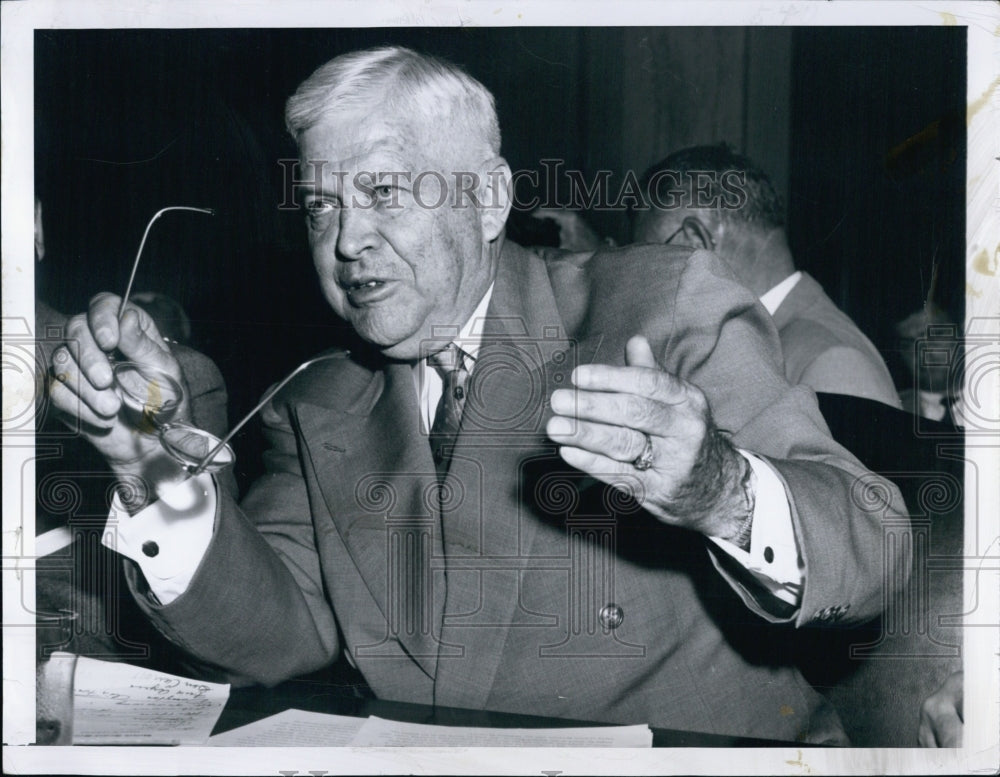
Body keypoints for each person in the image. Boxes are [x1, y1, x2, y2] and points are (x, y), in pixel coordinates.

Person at [47, 46, 910, 744]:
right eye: (318, 208)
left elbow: (875, 538)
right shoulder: (314, 400)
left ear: (489, 196)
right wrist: (152, 462)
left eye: (383, 191)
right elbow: (276, 634)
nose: (346, 242)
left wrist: (719, 486)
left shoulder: (661, 300)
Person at [631, 144, 902, 410]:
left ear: (697, 241)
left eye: (651, 263)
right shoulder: (770, 344)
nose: (648, 288)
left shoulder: (832, 364)